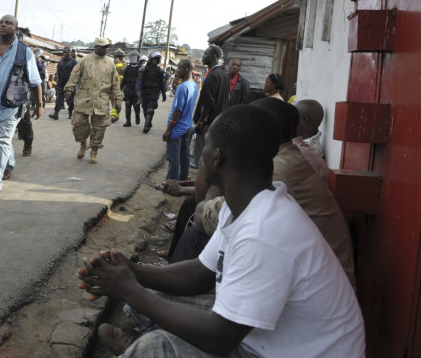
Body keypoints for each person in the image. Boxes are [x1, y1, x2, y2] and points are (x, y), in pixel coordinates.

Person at [78, 105, 365, 358]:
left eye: (203, 148)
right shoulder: (248, 202)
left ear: (216, 157)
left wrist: (127, 289)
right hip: (270, 340)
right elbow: (199, 273)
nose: (199, 154)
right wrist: (133, 273)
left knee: (157, 347)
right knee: (153, 292)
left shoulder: (264, 231)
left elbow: (220, 338)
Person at [251, 97, 356, 287]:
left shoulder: (286, 165)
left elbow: (239, 214)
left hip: (321, 287)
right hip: (315, 273)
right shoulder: (291, 153)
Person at [0, 15, 42, 196]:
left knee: (1, 140)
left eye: (8, 23)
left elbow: (35, 81)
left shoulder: (25, 52)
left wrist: (39, 104)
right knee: (1, 139)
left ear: (16, 28)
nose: (3, 25)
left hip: (12, 104)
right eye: (1, 23)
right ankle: (10, 164)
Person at [64, 37, 123, 164]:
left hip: (101, 102)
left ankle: (94, 150)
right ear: (96, 47)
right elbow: (74, 76)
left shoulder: (110, 64)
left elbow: (116, 83)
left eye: (106, 47)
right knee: (78, 125)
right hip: (84, 99)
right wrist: (69, 91)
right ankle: (83, 144)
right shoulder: (84, 60)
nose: (104, 49)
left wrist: (118, 100)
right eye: (102, 46)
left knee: (99, 128)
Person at [192, 45, 229, 165]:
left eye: (205, 54)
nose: (203, 56)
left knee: (203, 155)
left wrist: (201, 121)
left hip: (208, 122)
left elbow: (209, 103)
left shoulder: (213, 75)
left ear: (214, 57)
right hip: (218, 120)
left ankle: (200, 179)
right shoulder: (222, 74)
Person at [163, 59, 198, 181]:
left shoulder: (182, 87)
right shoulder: (194, 85)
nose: (177, 71)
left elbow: (178, 111)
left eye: (179, 68)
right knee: (184, 156)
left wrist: (168, 130)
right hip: (187, 126)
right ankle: (182, 181)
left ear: (187, 70)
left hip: (177, 128)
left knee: (174, 158)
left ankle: (170, 183)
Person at [16, 47, 47, 156]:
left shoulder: (27, 54)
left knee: (24, 120)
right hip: (1, 94)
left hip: (23, 92)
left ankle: (28, 143)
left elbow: (38, 75)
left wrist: (40, 104)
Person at [136, 51, 168, 134]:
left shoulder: (160, 71)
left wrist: (164, 94)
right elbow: (139, 81)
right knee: (145, 109)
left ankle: (146, 126)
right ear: (151, 59)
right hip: (145, 92)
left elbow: (162, 83)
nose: (156, 61)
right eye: (154, 59)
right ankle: (149, 123)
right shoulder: (144, 69)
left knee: (150, 110)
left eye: (157, 60)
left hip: (154, 93)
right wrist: (138, 91)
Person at [49, 46, 77, 120]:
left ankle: (70, 112)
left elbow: (76, 72)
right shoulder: (61, 61)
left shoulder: (74, 62)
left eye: (66, 52)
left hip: (70, 84)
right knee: (59, 98)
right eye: (63, 52)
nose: (64, 53)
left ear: (70, 52)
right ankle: (56, 113)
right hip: (61, 83)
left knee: (70, 99)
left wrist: (74, 82)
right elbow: (57, 71)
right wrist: (58, 79)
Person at [120, 52, 141, 127]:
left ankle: (137, 117)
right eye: (132, 58)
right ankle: (128, 121)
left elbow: (142, 81)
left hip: (136, 91)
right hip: (128, 90)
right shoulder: (127, 69)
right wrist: (120, 88)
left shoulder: (140, 68)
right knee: (128, 105)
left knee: (136, 106)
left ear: (138, 59)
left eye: (135, 58)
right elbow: (124, 79)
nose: (133, 60)